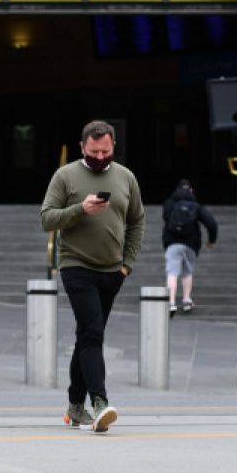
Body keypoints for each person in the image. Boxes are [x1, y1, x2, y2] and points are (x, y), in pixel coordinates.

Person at [41, 120, 145, 433]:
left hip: (112, 270)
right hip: (76, 266)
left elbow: (137, 221)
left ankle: (75, 406)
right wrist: (80, 209)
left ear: (114, 147)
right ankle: (99, 402)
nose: (100, 155)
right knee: (93, 332)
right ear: (83, 147)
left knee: (87, 335)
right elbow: (47, 218)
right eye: (94, 150)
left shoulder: (125, 177)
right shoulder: (65, 176)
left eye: (106, 150)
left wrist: (127, 263)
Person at [161, 179, 217, 315]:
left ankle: (171, 303)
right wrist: (211, 240)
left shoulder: (170, 203)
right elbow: (211, 223)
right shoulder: (195, 205)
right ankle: (186, 300)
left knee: (172, 273)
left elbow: (166, 218)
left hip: (173, 242)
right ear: (191, 190)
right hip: (191, 243)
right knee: (187, 272)